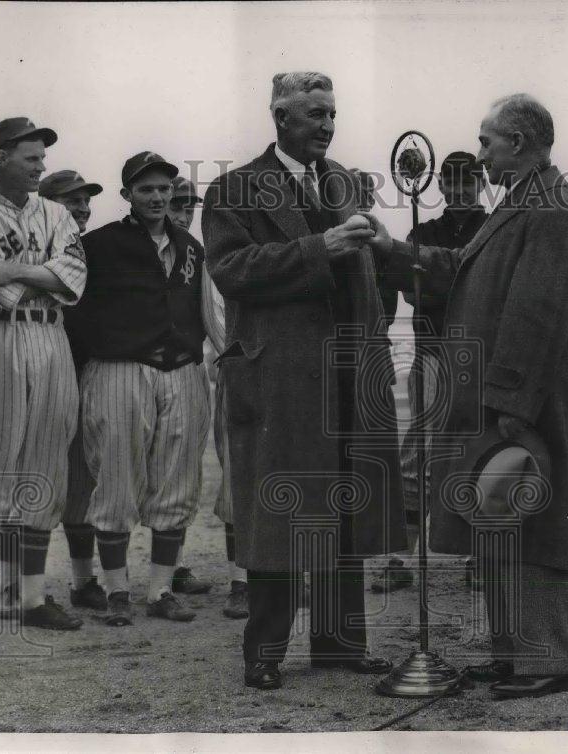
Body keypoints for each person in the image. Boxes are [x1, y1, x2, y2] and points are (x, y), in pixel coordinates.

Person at [367, 93, 568, 699]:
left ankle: (549, 660)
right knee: (499, 525)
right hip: (498, 402)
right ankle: (513, 654)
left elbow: (536, 321)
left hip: (526, 407)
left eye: (488, 140)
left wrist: (510, 413)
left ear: (518, 142)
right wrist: (392, 249)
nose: (482, 149)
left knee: (535, 527)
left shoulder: (550, 212)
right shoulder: (518, 205)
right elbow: (458, 269)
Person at [202, 71, 405, 690]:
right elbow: (232, 270)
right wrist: (321, 246)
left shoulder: (347, 182)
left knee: (345, 506)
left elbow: (370, 270)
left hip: (348, 373)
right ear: (281, 118)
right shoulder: (233, 189)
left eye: (332, 113)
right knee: (282, 512)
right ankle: (263, 653)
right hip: (281, 376)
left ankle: (340, 645)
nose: (328, 125)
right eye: (315, 114)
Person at [66, 152, 216, 626]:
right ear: (127, 194)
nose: (156, 197)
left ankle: (160, 590)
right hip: (119, 370)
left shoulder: (191, 247)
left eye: (164, 188)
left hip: (182, 369)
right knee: (115, 478)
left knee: (177, 480)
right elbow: (75, 315)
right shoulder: (97, 244)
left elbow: (202, 312)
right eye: (146, 189)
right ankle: (115, 593)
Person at [0, 117, 87, 631]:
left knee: (45, 463)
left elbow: (72, 276)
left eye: (43, 158)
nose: (41, 166)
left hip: (51, 339)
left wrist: (16, 273)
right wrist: (39, 276)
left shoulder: (57, 212)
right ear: (2, 156)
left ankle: (29, 598)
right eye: (31, 158)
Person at [372, 150, 489, 595]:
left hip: (478, 353)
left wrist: (439, 275)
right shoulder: (422, 230)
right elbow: (406, 285)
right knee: (416, 455)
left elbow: (482, 286)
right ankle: (402, 556)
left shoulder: (493, 227)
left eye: (468, 181)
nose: (459, 189)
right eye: (452, 182)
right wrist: (435, 275)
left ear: (480, 183)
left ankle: (483, 553)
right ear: (438, 185)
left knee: (480, 452)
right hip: (433, 351)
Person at [166, 174, 241, 612]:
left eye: (187, 206)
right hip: (178, 370)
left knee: (237, 470)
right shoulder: (161, 253)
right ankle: (171, 567)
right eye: (177, 204)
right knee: (176, 474)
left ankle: (244, 578)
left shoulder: (206, 254)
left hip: (218, 367)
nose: (181, 213)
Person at [37, 169, 110, 612]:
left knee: (81, 484)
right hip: (42, 368)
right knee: (40, 480)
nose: (82, 208)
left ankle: (84, 581)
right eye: (71, 200)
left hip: (87, 371)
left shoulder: (93, 249)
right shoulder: (37, 245)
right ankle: (21, 586)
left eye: (86, 201)